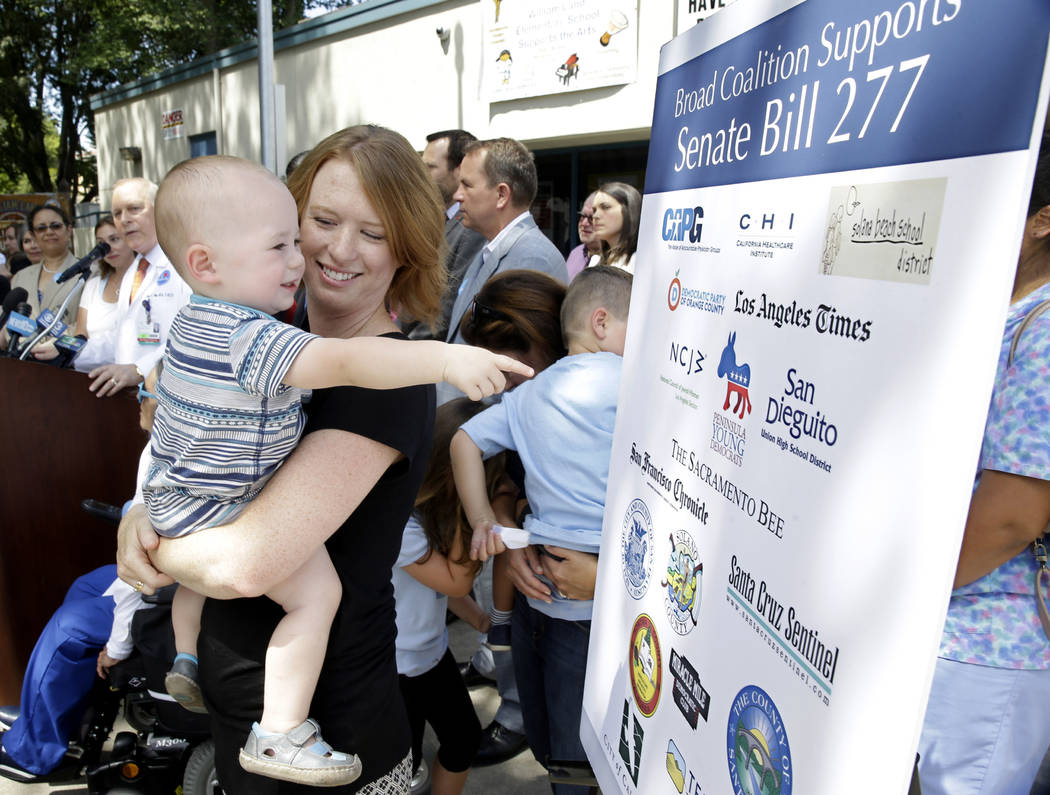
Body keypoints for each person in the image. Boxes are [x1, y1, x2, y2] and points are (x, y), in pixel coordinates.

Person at [146, 155, 528, 787]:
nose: (334, 248)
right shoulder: (261, 330)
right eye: (318, 221)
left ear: (404, 250)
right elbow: (185, 434)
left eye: (374, 233)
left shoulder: (386, 378)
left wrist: (157, 541)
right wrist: (144, 511)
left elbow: (247, 566)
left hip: (328, 721)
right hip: (241, 703)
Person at [452, 265, 632, 794]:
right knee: (591, 754)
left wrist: (485, 521)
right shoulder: (635, 381)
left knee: (560, 750)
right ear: (601, 322)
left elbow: (464, 441)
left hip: (545, 592)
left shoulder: (527, 397)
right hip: (603, 603)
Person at [916, 135, 1050, 794]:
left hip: (991, 647)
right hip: (940, 632)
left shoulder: (1045, 328)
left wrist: (909, 594)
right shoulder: (992, 312)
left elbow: (1015, 513)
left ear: (1042, 220)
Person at [0, 363, 164, 781]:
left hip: (165, 591)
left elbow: (137, 578)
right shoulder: (155, 446)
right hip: (152, 574)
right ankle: (62, 713)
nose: (138, 403)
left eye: (143, 395)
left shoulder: (167, 461)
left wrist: (119, 645)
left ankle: (33, 754)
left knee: (70, 631)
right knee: (84, 584)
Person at [453, 269, 569, 764]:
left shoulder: (590, 402)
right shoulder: (522, 393)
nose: (492, 386)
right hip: (532, 575)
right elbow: (505, 472)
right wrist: (504, 516)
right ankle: (519, 710)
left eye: (501, 367)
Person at [394, 398, 513, 795]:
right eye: (493, 483)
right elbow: (455, 581)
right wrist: (475, 511)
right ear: (458, 478)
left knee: (463, 739)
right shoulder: (401, 526)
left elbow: (442, 586)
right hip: (393, 669)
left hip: (431, 654)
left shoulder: (433, 517)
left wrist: (480, 618)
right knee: (399, 771)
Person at [443, 138, 567, 373]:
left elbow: (518, 370)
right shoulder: (489, 250)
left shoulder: (532, 258)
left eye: (467, 185)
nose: (457, 195)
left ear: (501, 194)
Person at [87, 177, 193, 399]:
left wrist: (139, 369)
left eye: (134, 209)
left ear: (159, 211)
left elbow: (192, 337)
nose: (124, 219)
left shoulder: (183, 265)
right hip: (132, 401)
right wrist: (71, 350)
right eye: (117, 213)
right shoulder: (134, 270)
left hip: (170, 399)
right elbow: (121, 336)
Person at [28, 216, 137, 369]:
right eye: (101, 243)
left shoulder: (145, 282)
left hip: (128, 373)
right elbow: (81, 335)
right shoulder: (92, 285)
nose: (108, 248)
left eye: (114, 239)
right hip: (87, 374)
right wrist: (61, 346)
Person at [409, 129, 487, 341]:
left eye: (430, 167)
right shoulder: (433, 221)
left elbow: (448, 307)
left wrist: (401, 349)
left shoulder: (472, 230)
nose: (422, 175)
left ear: (459, 169)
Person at [4, 205, 81, 349]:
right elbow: (10, 323)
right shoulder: (21, 277)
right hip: (23, 361)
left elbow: (90, 327)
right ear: (33, 235)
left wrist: (56, 345)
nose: (49, 232)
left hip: (68, 364)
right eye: (41, 228)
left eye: (56, 226)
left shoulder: (90, 273)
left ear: (69, 230)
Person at [587, 182, 641, 274]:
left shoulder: (640, 262)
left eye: (605, 207)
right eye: (594, 210)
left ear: (628, 210)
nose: (595, 216)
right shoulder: (595, 261)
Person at [564, 193, 599, 281]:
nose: (584, 223)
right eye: (582, 216)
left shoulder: (617, 260)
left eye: (592, 218)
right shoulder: (575, 253)